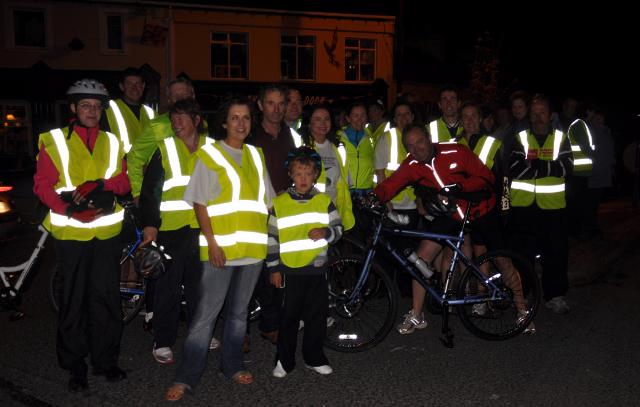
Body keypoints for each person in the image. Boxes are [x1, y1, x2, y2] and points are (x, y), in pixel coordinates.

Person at [165, 95, 275, 401]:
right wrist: (212, 243)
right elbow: (199, 202)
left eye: (246, 118)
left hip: (252, 250)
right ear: (224, 122)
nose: (241, 123)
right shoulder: (210, 154)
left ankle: (232, 365)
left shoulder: (256, 155)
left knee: (239, 314)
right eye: (235, 118)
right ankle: (186, 377)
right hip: (221, 250)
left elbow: (266, 203)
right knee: (205, 316)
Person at [34, 79, 130, 391]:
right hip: (71, 232)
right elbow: (42, 187)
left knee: (106, 299)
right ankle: (75, 364)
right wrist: (70, 211)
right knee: (73, 300)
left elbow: (125, 181)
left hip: (106, 233)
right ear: (73, 109)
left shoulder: (113, 142)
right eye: (85, 105)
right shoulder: (54, 141)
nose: (92, 110)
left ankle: (105, 361)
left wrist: (101, 185)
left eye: (97, 106)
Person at [374, 124, 500, 334]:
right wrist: (374, 196)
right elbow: (391, 184)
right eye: (410, 146)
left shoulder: (455, 151)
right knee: (421, 259)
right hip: (450, 215)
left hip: (479, 209)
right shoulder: (412, 163)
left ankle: (523, 310)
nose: (416, 149)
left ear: (429, 138)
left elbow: (486, 176)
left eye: (420, 142)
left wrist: (460, 188)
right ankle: (416, 314)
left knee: (503, 261)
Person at [138, 98, 209, 364]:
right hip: (170, 228)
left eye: (181, 118)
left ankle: (200, 332)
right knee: (167, 287)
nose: (176, 124)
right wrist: (150, 224)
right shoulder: (165, 149)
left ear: (197, 120)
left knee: (199, 287)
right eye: (173, 119)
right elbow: (151, 191)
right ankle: (163, 340)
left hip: (203, 228)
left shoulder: (212, 149)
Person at [268, 147, 343, 378]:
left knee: (317, 317)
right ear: (290, 174)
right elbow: (271, 238)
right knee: (288, 319)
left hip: (317, 270)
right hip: (290, 271)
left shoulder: (324, 201)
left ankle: (314, 358)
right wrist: (274, 269)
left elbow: (338, 229)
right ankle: (284, 360)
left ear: (315, 176)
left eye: (308, 174)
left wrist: (326, 232)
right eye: (298, 173)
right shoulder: (279, 204)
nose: (303, 178)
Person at [508, 94, 573, 314]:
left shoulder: (561, 139)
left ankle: (555, 295)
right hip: (523, 208)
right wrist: (548, 166)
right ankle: (523, 294)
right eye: (534, 112)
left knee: (555, 254)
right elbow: (515, 169)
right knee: (522, 255)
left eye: (542, 112)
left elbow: (567, 168)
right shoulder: (521, 138)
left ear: (550, 115)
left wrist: (534, 164)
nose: (538, 117)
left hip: (553, 208)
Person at [250, 84, 298, 344]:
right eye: (271, 103)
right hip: (256, 212)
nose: (277, 109)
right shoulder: (250, 135)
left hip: (284, 211)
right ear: (260, 105)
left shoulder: (291, 135)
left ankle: (270, 324)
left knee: (277, 269)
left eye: (281, 103)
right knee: (252, 271)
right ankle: (241, 330)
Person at [128, 77, 201, 200]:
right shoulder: (157, 126)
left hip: (199, 198)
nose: (180, 98)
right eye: (174, 95)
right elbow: (134, 158)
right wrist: (138, 193)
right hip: (168, 200)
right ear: (169, 100)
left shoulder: (203, 125)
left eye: (184, 94)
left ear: (192, 95)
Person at [301, 104, 355, 231]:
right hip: (309, 212)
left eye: (326, 119)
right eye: (317, 119)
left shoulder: (339, 148)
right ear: (309, 123)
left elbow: (345, 184)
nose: (323, 123)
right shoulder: (302, 148)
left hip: (334, 212)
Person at [104, 67, 157, 153]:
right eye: (129, 84)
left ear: (143, 86)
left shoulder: (152, 114)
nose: (134, 88)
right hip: (121, 165)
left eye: (138, 84)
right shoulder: (108, 108)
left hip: (147, 165)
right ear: (122, 87)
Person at [337, 101, 376, 197]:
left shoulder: (371, 139)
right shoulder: (337, 138)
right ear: (348, 118)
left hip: (366, 193)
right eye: (355, 115)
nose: (360, 119)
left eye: (363, 115)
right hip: (343, 191)